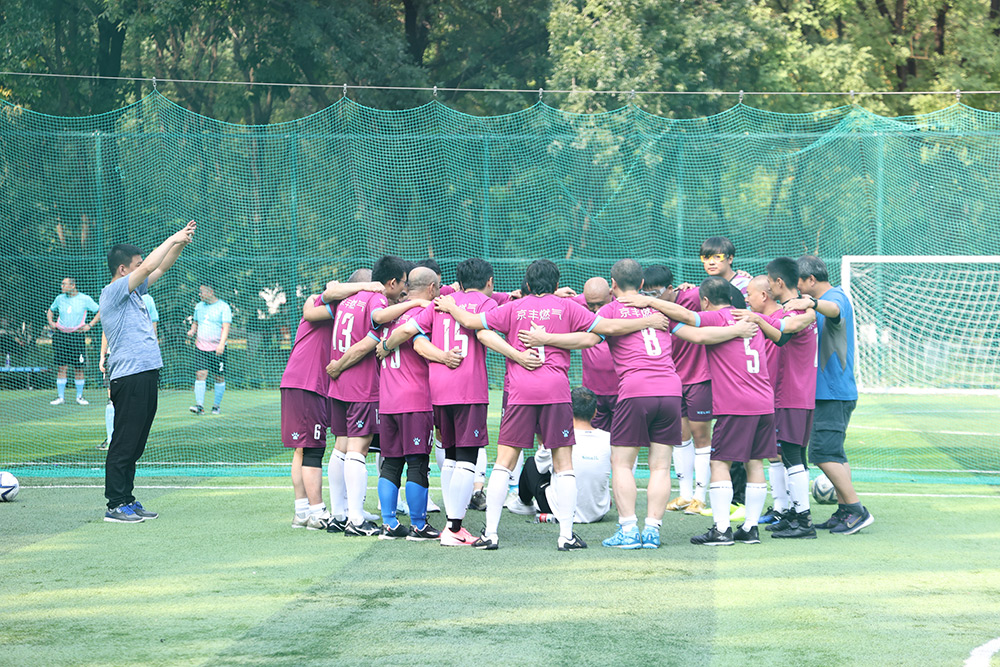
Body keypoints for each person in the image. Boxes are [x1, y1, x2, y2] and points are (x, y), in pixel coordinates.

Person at [440, 259, 670, 551]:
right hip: (556, 391)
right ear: (557, 283)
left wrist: (451, 307)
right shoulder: (568, 307)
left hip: (520, 392)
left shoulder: (513, 307)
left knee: (503, 463)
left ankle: (492, 534)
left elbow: (474, 324)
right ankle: (566, 536)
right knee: (563, 465)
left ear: (527, 283)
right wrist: (646, 321)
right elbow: (605, 329)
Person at [534, 260, 754, 549]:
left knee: (621, 464)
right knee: (660, 466)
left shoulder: (610, 310)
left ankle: (628, 529)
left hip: (636, 390)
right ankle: (652, 530)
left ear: (613, 285)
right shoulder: (660, 309)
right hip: (671, 390)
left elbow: (586, 340)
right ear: (641, 284)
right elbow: (699, 336)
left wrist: (546, 339)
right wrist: (737, 330)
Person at [380, 258, 540, 546]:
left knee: (451, 456)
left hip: (438, 391)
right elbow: (485, 334)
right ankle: (454, 529)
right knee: (467, 458)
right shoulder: (485, 304)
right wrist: (517, 356)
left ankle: (448, 524)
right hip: (468, 389)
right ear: (489, 281)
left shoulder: (439, 304)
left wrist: (385, 346)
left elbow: (406, 333)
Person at [323, 256, 427, 536]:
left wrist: (337, 367)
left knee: (340, 447)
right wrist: (415, 303)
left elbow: (327, 294)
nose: (404, 290)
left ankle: (339, 514)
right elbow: (370, 336)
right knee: (358, 448)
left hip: (339, 385)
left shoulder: (347, 300)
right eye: (403, 284)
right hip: (360, 384)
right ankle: (356, 521)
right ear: (391, 282)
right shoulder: (376, 299)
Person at [100, 220, 195, 522]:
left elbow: (160, 267)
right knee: (124, 442)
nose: (143, 267)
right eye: (137, 264)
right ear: (123, 270)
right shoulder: (113, 291)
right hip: (129, 377)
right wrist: (171, 236)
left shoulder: (134, 292)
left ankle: (127, 499)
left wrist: (179, 244)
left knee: (136, 443)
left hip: (145, 374)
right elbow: (151, 264)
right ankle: (115, 504)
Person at [680, 276, 775, 546]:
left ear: (705, 301)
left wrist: (652, 304)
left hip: (736, 405)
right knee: (755, 462)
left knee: (719, 462)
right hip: (764, 402)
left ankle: (721, 530)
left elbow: (687, 321)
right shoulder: (752, 319)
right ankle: (750, 528)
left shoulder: (717, 317)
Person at [285, 278, 384, 531]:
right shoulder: (333, 305)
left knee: (302, 449)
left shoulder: (333, 306)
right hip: (309, 382)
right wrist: (365, 287)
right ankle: (318, 512)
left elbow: (319, 301)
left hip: (302, 381)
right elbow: (325, 298)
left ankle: (303, 511)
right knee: (312, 449)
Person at [374, 267, 463, 541]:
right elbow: (419, 345)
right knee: (417, 463)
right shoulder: (420, 313)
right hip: (414, 400)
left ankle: (389, 523)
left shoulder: (390, 314)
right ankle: (418, 525)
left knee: (390, 463)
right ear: (432, 288)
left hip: (387, 401)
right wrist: (445, 357)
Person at [788, 255, 874, 535]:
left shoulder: (835, 297)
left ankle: (857, 510)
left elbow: (834, 309)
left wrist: (811, 303)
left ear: (811, 280)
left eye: (799, 283)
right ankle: (845, 510)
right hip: (831, 392)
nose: (798, 290)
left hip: (833, 393)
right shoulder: (822, 300)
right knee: (835, 453)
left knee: (823, 452)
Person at [642, 265, 714, 517]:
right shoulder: (646, 308)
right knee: (680, 437)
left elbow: (723, 290)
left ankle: (700, 497)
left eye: (655, 293)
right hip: (672, 381)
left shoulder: (693, 296)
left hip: (699, 377)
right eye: (646, 294)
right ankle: (685, 494)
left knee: (701, 436)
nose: (651, 298)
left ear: (671, 288)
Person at [508, 387, 612, 524]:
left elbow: (540, 468)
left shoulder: (557, 436)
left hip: (559, 509)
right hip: (598, 512)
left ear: (568, 410)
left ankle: (523, 503)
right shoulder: (609, 438)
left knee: (531, 463)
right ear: (595, 413)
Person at [99, 293, 158, 450]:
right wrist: (102, 354)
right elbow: (106, 328)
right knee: (113, 398)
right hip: (117, 357)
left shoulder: (147, 299)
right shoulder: (115, 295)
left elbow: (153, 328)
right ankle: (112, 439)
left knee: (135, 401)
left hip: (138, 358)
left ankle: (128, 439)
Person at [47, 277, 101, 405]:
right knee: (61, 367)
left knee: (79, 368)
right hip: (61, 336)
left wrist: (90, 325)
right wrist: (51, 322)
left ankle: (79, 397)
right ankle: (60, 397)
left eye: (64, 284)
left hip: (77, 336)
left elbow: (100, 311)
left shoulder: (85, 299)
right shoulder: (59, 299)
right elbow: (50, 310)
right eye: (62, 284)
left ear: (72, 286)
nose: (62, 286)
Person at [186, 283, 232, 415]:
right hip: (201, 347)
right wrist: (192, 331)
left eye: (202, 292)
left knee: (218, 377)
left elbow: (226, 327)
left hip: (217, 348)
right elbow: (196, 322)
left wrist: (221, 344)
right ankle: (199, 406)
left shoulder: (223, 307)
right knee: (200, 374)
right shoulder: (199, 306)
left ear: (210, 292)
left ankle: (216, 406)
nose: (199, 294)